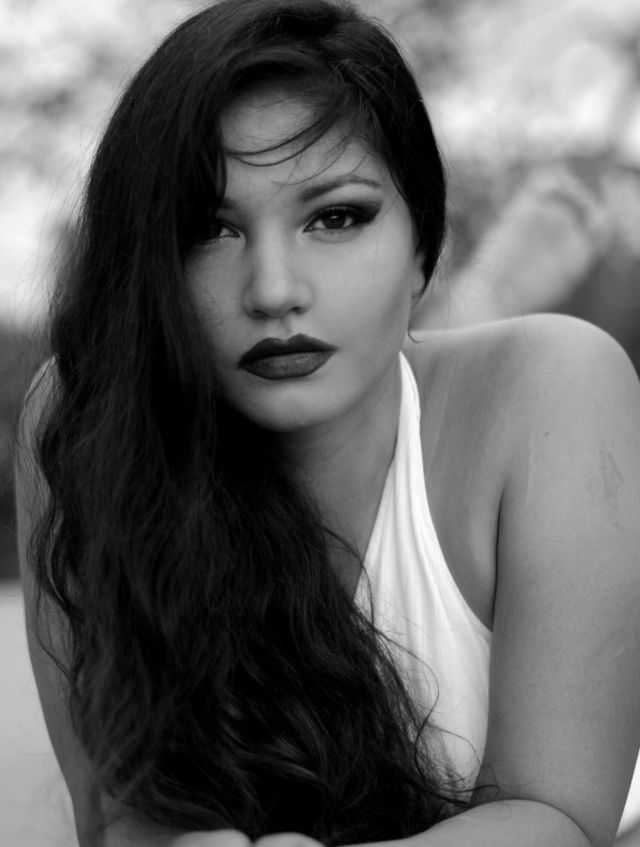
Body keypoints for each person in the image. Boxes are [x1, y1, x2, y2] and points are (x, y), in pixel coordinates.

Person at [13, 1, 640, 846]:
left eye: (336, 217)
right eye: (209, 229)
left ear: (424, 245)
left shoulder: (553, 389)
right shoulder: (85, 426)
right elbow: (116, 815)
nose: (274, 289)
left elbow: (561, 817)